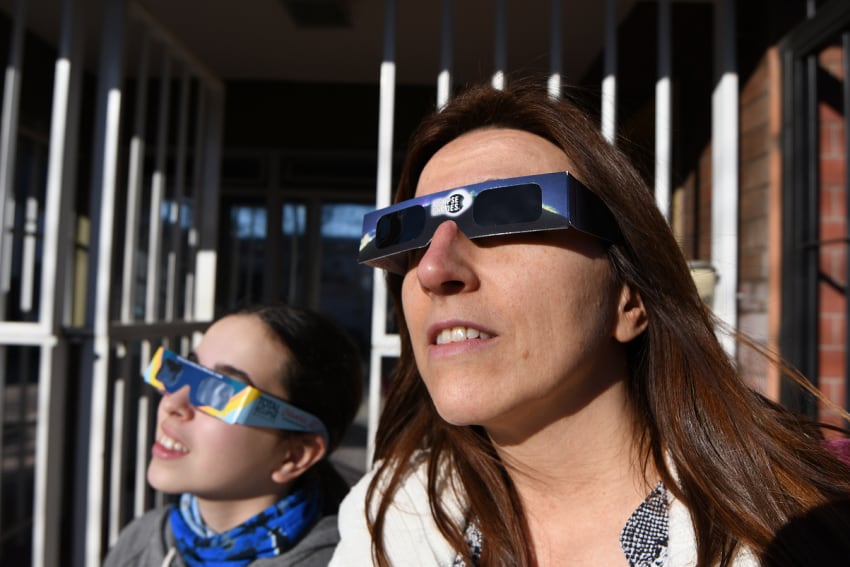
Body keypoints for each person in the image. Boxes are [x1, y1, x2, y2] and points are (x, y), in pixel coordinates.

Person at [330, 78, 850, 566]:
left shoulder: (807, 525)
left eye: (508, 215)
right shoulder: (386, 521)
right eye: (411, 234)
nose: (434, 268)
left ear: (630, 298)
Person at [104, 303, 362, 567]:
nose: (173, 404)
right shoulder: (140, 543)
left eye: (221, 392)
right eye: (182, 371)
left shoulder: (350, 560)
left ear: (296, 455)